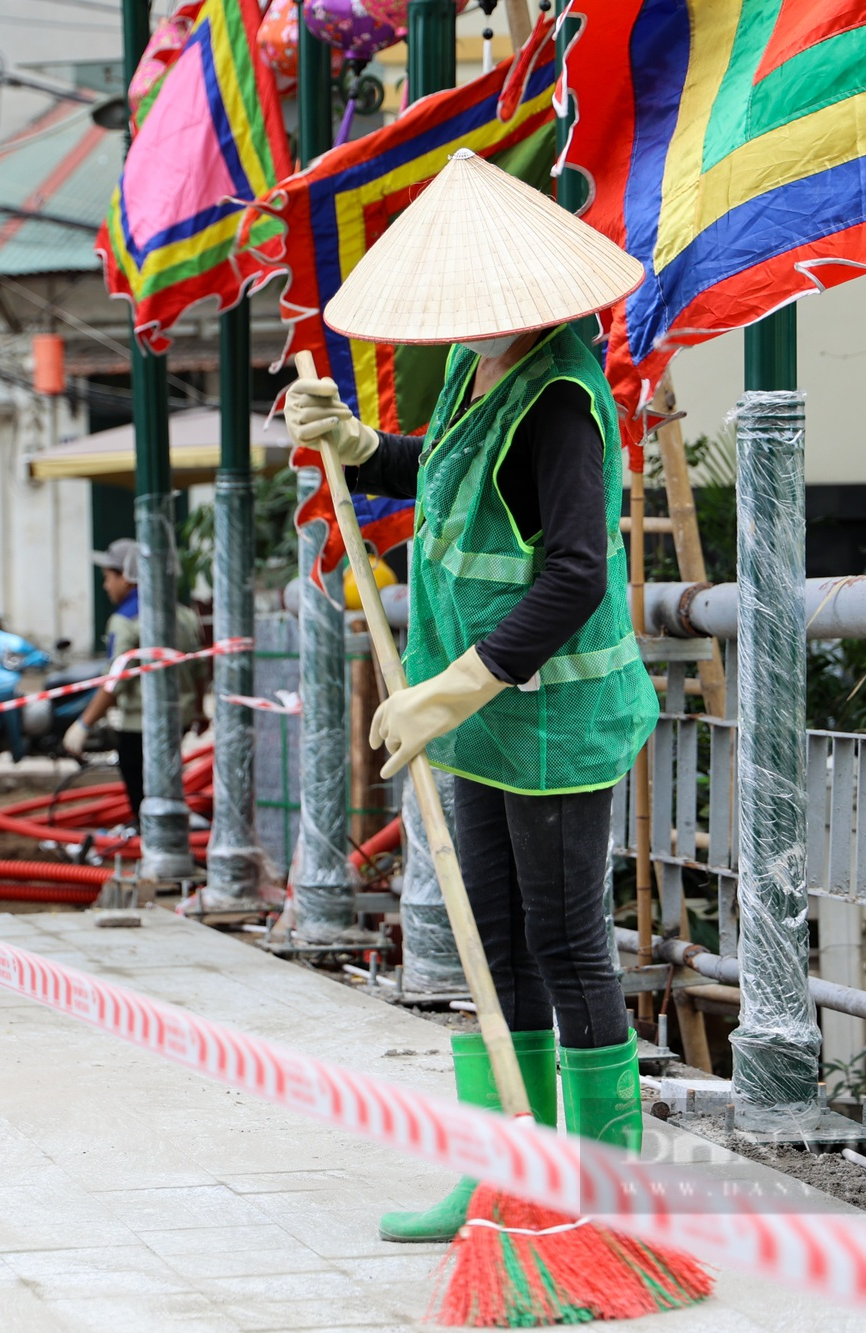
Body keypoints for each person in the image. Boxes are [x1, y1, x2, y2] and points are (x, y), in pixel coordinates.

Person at [283, 150, 658, 1242]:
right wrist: (356, 446)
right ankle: (502, 1171)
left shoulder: (559, 401)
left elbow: (575, 571)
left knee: (563, 939)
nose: (453, 320)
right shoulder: (474, 371)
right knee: (488, 940)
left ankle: (604, 1192)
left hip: (547, 716)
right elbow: (438, 470)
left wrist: (457, 684)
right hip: (484, 717)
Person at [63, 539, 203, 824]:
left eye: (108, 578)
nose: (106, 586)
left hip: (139, 725)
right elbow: (200, 669)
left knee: (142, 793)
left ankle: (150, 837)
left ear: (126, 578)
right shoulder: (185, 615)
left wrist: (83, 724)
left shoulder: (125, 621)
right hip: (180, 719)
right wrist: (199, 710)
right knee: (167, 785)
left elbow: (116, 682)